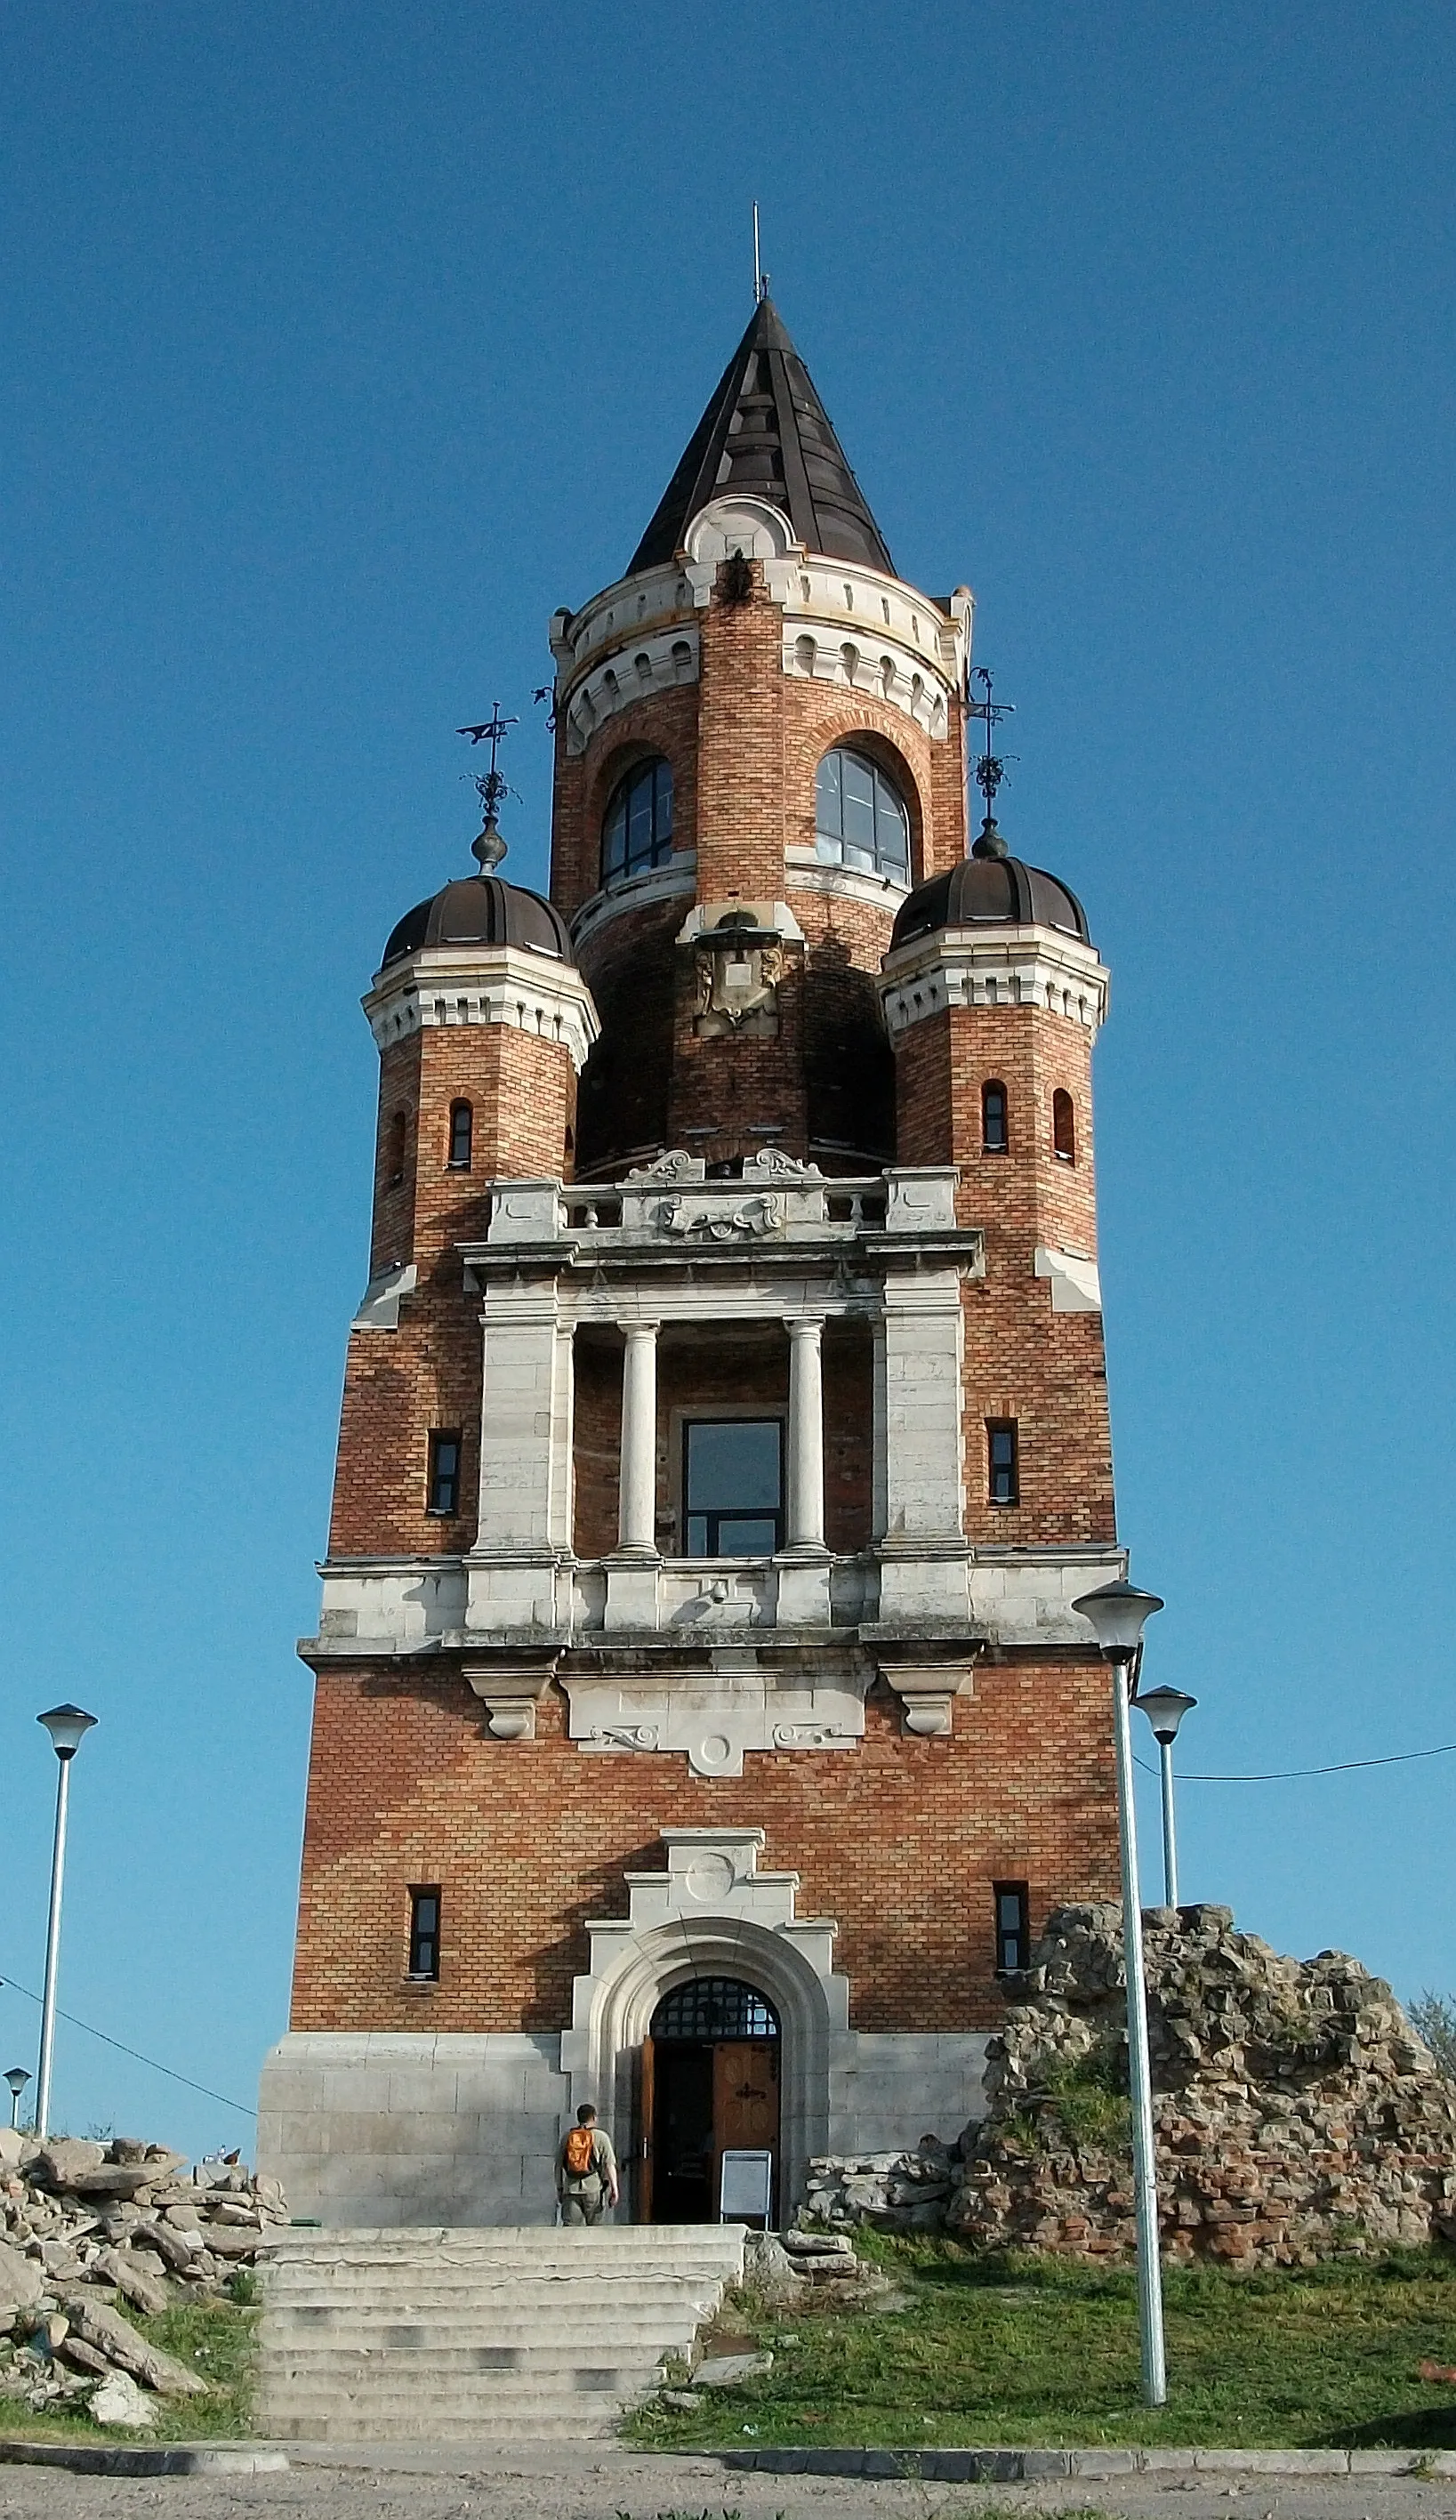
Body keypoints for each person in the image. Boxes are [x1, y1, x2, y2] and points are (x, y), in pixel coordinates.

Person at [556, 2103, 619, 2225]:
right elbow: (609, 2164)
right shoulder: (601, 2137)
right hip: (593, 2189)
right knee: (595, 2231)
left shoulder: (568, 2137)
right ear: (594, 2118)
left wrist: (560, 2188)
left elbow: (558, 2165)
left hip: (571, 2189)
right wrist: (614, 2189)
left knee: (571, 2230)